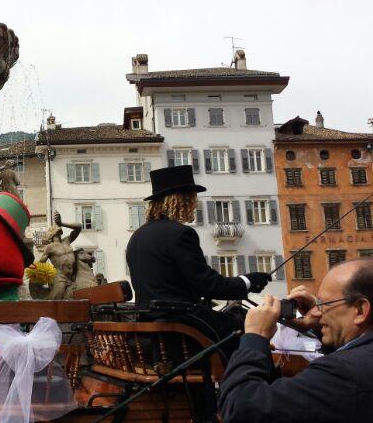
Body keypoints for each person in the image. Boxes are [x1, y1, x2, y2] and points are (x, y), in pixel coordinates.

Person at [126, 165, 270, 356]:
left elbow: (172, 282)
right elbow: (208, 284)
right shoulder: (180, 233)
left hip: (152, 327)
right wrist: (247, 281)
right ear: (181, 199)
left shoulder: (137, 236)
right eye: (192, 198)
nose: (195, 204)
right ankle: (249, 382)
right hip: (181, 326)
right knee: (250, 325)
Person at [219, 259, 373, 422]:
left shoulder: (341, 372)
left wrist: (255, 336)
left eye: (324, 303)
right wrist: (317, 327)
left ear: (360, 310)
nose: (318, 312)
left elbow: (240, 409)